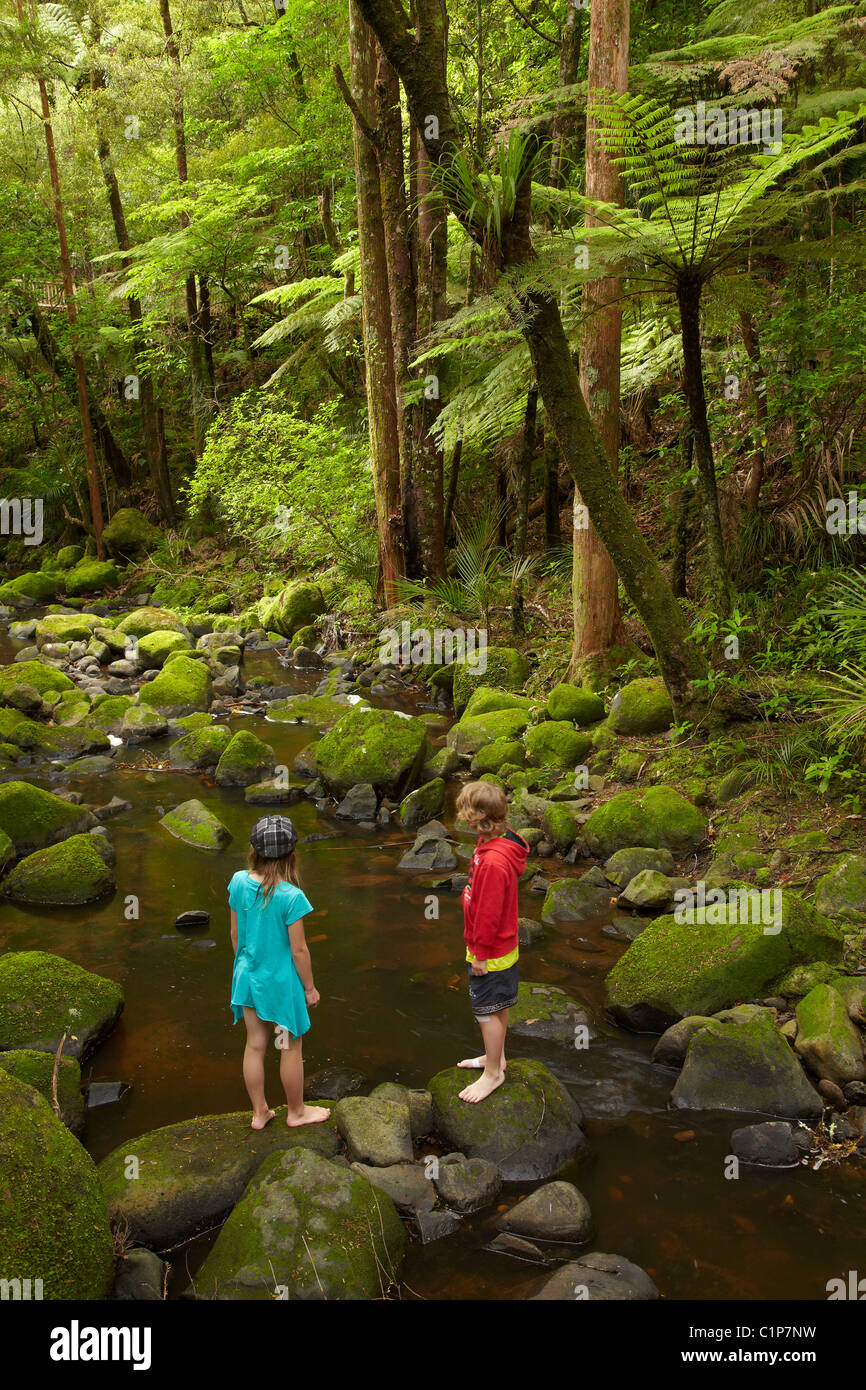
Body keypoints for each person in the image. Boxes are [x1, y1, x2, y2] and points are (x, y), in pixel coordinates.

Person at [228, 814, 329, 1130]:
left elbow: (235, 934)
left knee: (255, 1045)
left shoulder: (238, 881)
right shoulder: (291, 896)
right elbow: (299, 950)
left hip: (247, 974)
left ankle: (259, 1113)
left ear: (253, 851)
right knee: (289, 1044)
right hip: (281, 983)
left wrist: (245, 964)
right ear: (291, 855)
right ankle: (296, 1112)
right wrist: (310, 989)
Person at [454, 781, 529, 1103]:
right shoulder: (496, 840)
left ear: (477, 818)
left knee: (486, 1010)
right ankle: (495, 1056)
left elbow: (488, 913)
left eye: (464, 812)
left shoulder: (496, 862)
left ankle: (493, 1073)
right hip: (498, 945)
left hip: (491, 949)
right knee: (498, 1004)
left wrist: (480, 955)